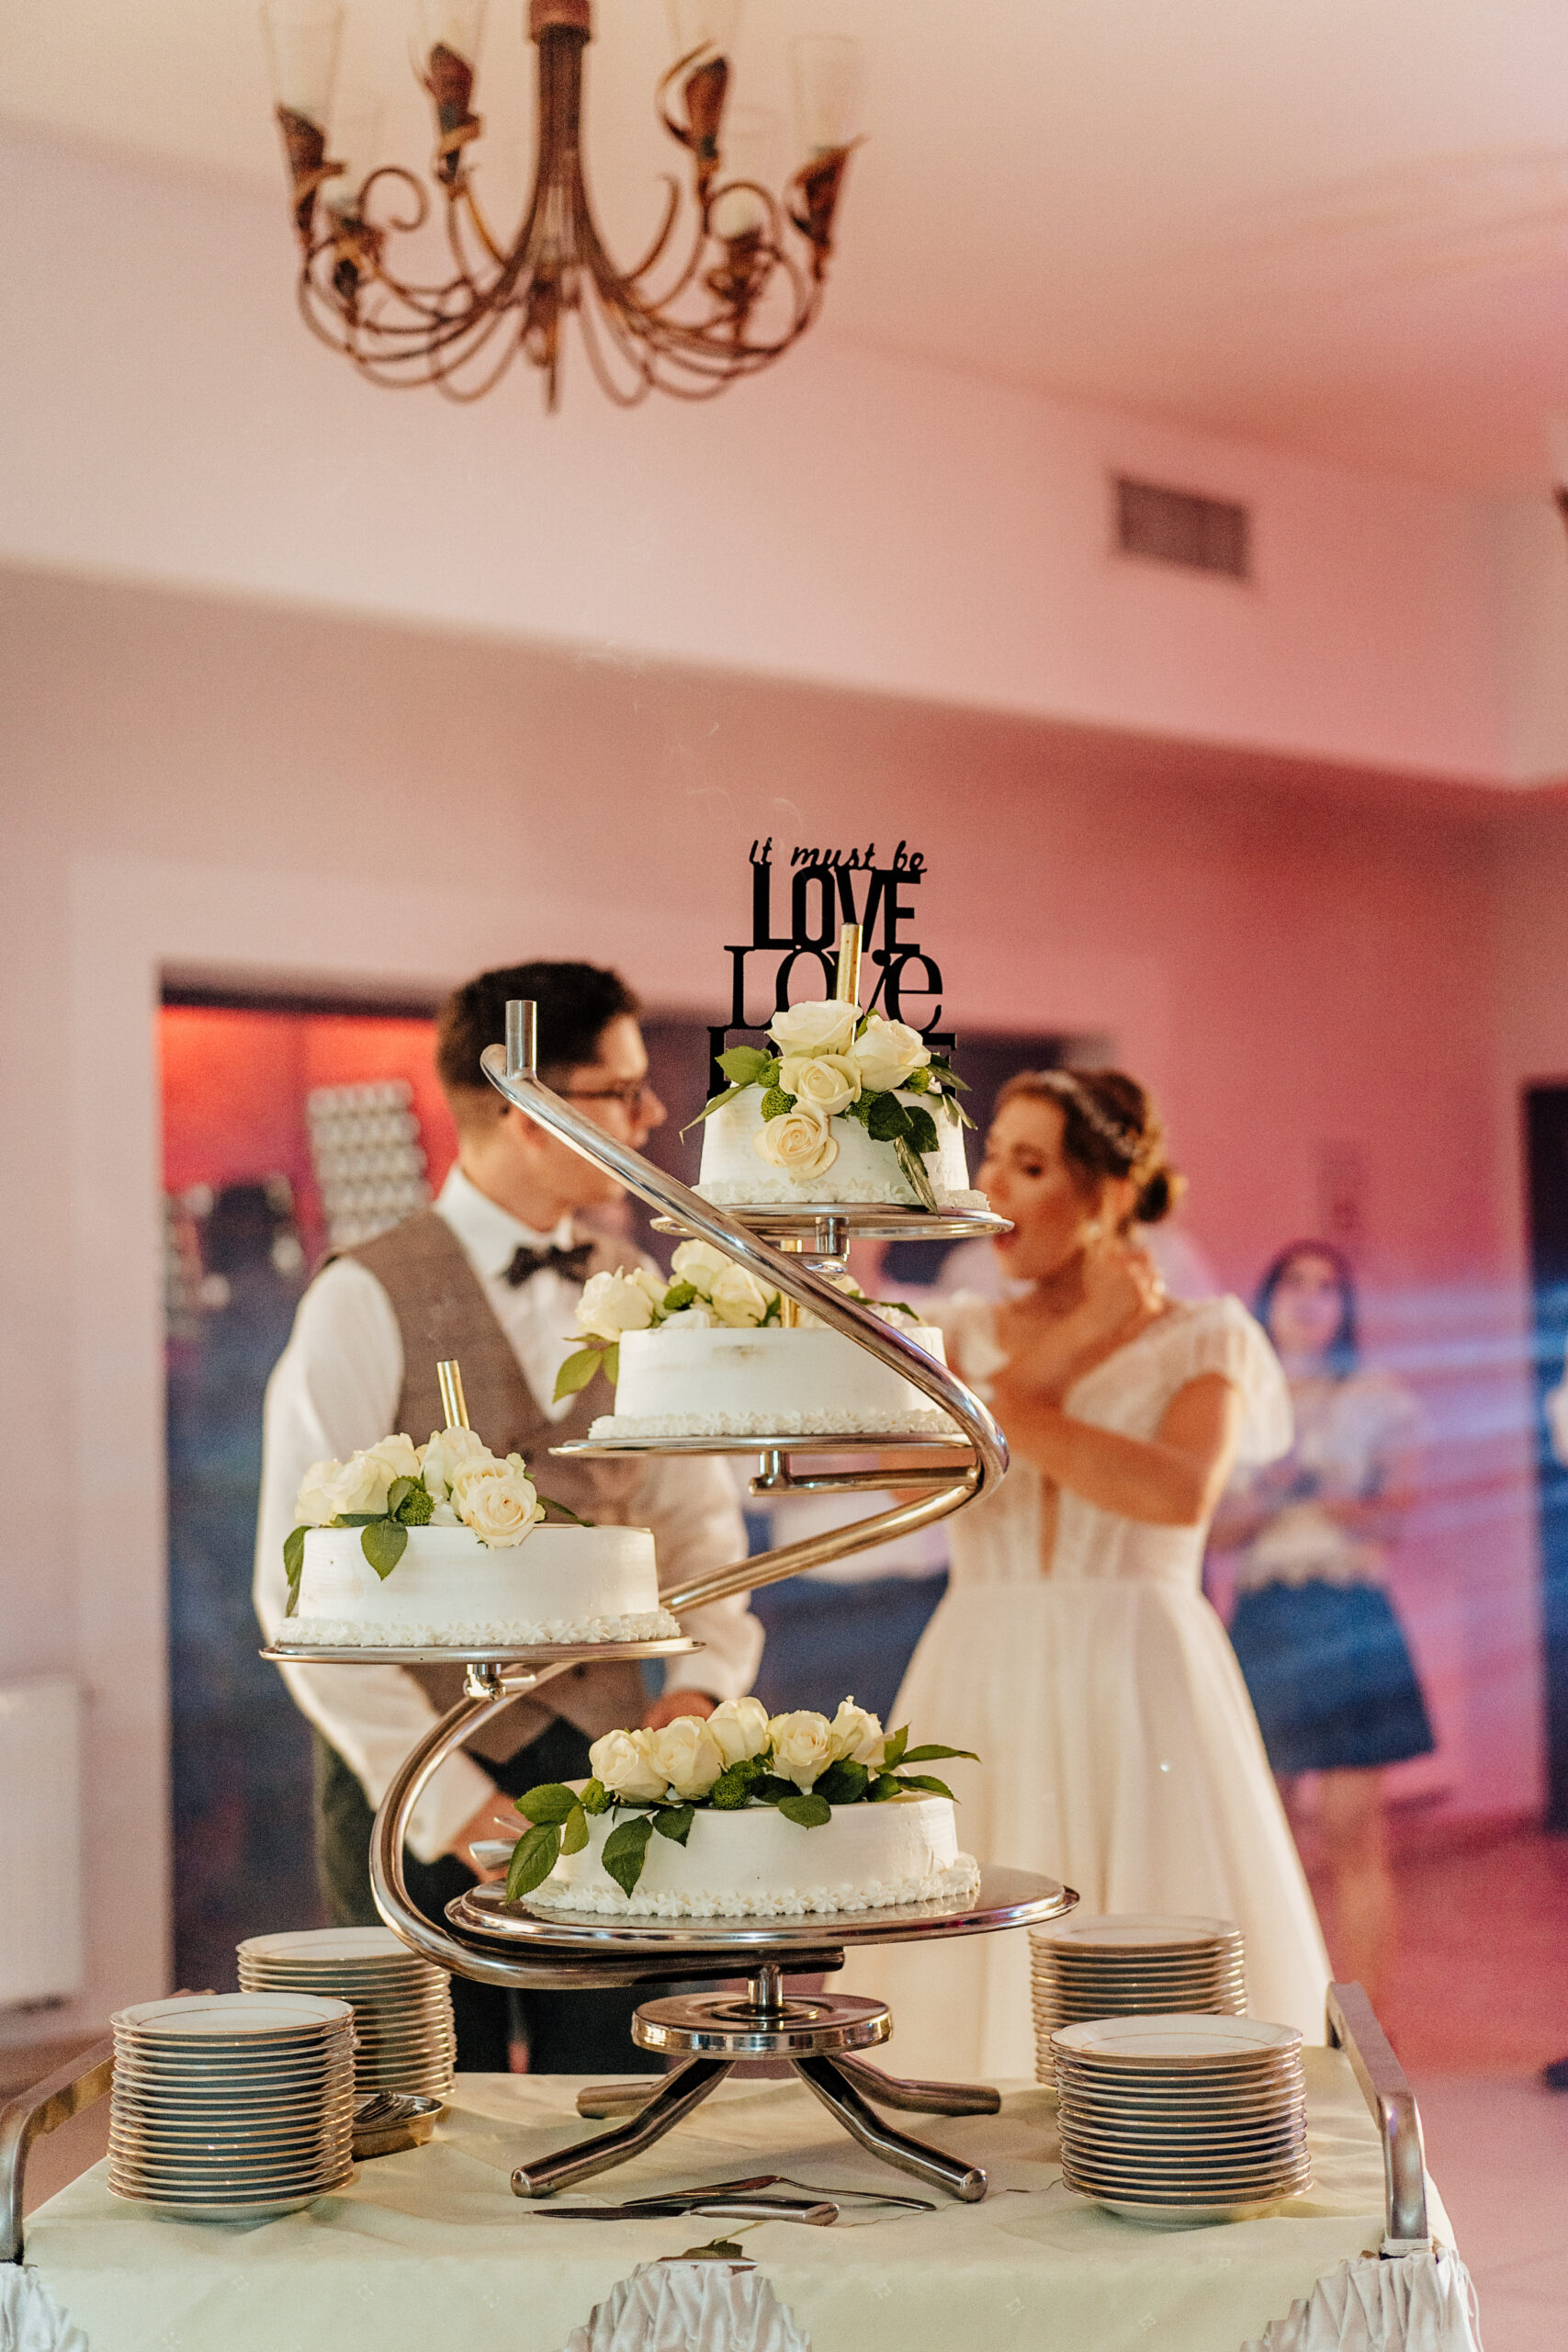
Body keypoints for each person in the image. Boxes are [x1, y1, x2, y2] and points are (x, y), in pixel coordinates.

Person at [254, 961, 761, 2073]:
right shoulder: (361, 1297)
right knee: (425, 2112)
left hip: (612, 1775)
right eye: (621, 1089)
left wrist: (697, 1692)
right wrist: (458, 1806)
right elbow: (297, 1591)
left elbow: (700, 1532)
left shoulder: (645, 1291)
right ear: (526, 1106)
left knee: (626, 2097)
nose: (650, 1115)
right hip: (410, 1775)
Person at [841, 1069, 1330, 2081]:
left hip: (1139, 1665)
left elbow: (1174, 1493)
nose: (993, 1188)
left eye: (1030, 1166)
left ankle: (1156, 2123)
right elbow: (910, 1475)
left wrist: (1011, 1404)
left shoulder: (1205, 1334)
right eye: (992, 1158)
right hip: (981, 1659)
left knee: (1153, 1925)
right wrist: (1076, 1344)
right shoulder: (955, 1332)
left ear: (1108, 1192)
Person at [1212, 1242, 1432, 2010]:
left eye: (1326, 1286)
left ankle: (1370, 2027)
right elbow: (1213, 1534)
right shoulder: (1234, 1402)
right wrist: (1276, 1489)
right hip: (1265, 1616)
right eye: (1293, 1283)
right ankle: (1277, 2013)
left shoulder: (1377, 1398)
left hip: (1347, 1613)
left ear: (1344, 1306)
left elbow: (1393, 1517)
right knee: (1263, 1836)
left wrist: (1325, 1491)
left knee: (1352, 1833)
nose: (1308, 1298)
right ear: (1265, 1299)